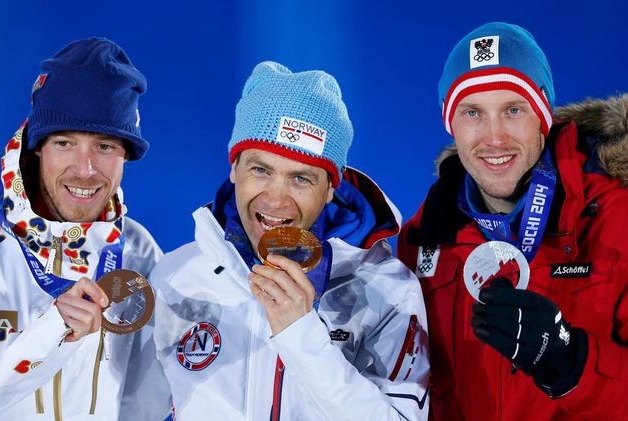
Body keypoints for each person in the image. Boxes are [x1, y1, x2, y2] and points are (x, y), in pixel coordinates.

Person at [121, 61, 429, 420]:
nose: (276, 200)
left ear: (331, 188)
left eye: (301, 179)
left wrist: (302, 335)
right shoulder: (176, 276)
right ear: (234, 168)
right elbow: (136, 412)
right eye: (260, 170)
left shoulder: (385, 289)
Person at [398, 22, 628, 420]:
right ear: (451, 124)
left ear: (543, 117)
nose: (494, 138)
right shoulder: (421, 242)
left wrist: (571, 364)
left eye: (513, 110)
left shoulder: (616, 217)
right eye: (473, 112)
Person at [0, 38, 162, 420]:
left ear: (126, 155)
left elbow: (154, 395)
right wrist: (48, 333)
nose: (85, 169)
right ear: (37, 146)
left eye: (105, 146)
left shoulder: (139, 251)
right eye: (65, 143)